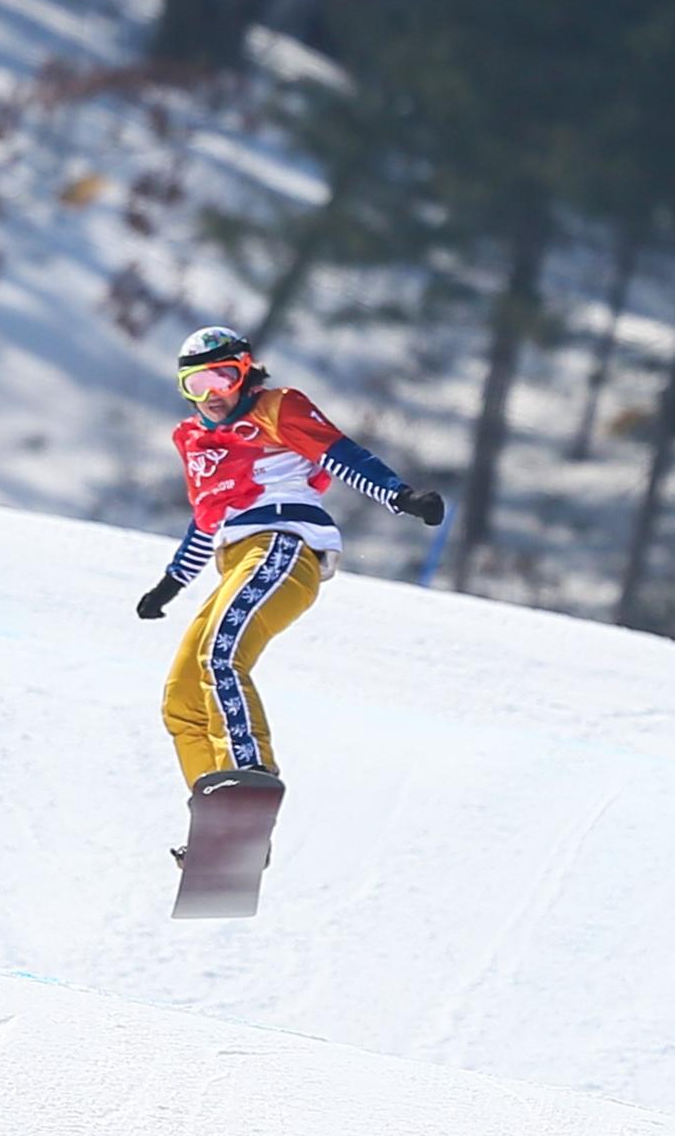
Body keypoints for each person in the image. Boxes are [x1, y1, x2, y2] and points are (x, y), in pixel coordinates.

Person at [136, 327, 444, 826]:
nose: (212, 396)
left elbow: (338, 453)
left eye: (222, 378)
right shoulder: (193, 440)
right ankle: (221, 824)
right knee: (184, 697)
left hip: (282, 545)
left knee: (220, 656)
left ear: (246, 371)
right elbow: (210, 518)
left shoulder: (275, 409)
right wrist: (172, 583)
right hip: (238, 561)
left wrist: (400, 496)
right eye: (197, 385)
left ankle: (248, 776)